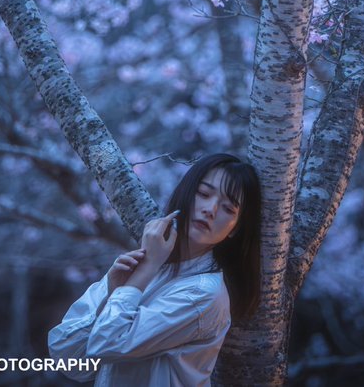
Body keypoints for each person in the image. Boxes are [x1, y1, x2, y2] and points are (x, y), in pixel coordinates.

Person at [48, 153, 262, 386]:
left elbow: (106, 345)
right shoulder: (148, 266)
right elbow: (68, 359)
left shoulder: (203, 296)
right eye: (203, 194)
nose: (210, 209)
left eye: (228, 209)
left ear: (234, 229)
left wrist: (143, 272)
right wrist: (112, 291)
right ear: (186, 193)